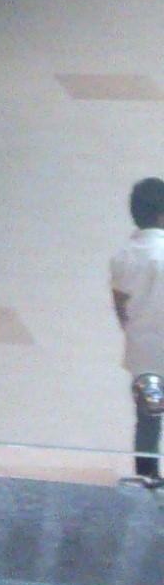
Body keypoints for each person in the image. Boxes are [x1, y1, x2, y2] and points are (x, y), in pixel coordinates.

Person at [114, 178, 164, 490]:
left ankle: (147, 477)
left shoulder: (124, 255)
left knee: (148, 418)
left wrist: (135, 332)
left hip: (143, 355)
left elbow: (120, 305)